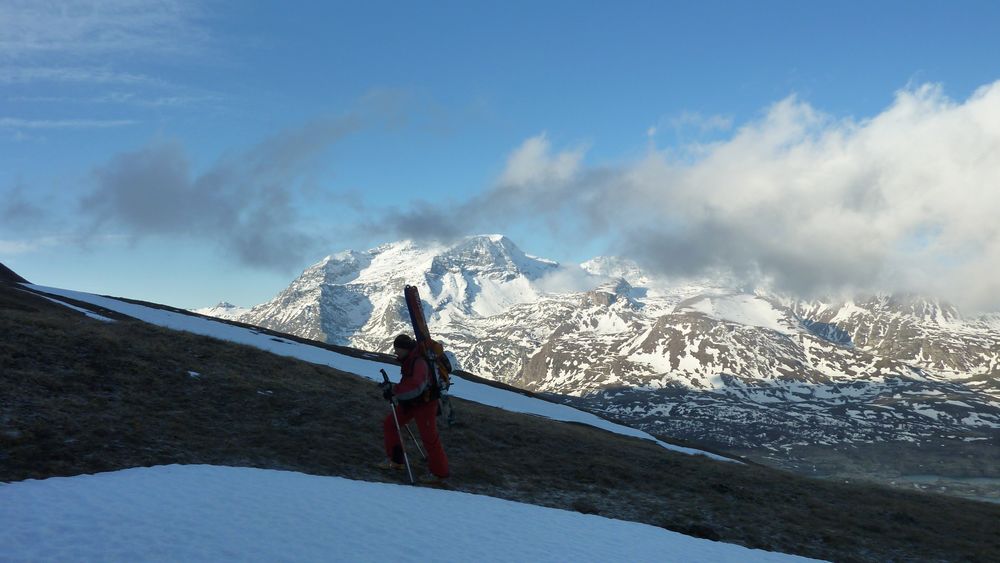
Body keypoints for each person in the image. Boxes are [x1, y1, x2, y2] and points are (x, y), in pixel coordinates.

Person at [380, 333, 450, 480]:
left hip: (425, 404)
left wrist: (394, 391)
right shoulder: (410, 359)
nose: (396, 353)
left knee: (429, 438)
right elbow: (410, 384)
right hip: (413, 402)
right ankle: (396, 460)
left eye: (398, 349)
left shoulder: (418, 362)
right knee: (390, 424)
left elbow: (415, 386)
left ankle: (439, 473)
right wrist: (395, 390)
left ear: (405, 349)